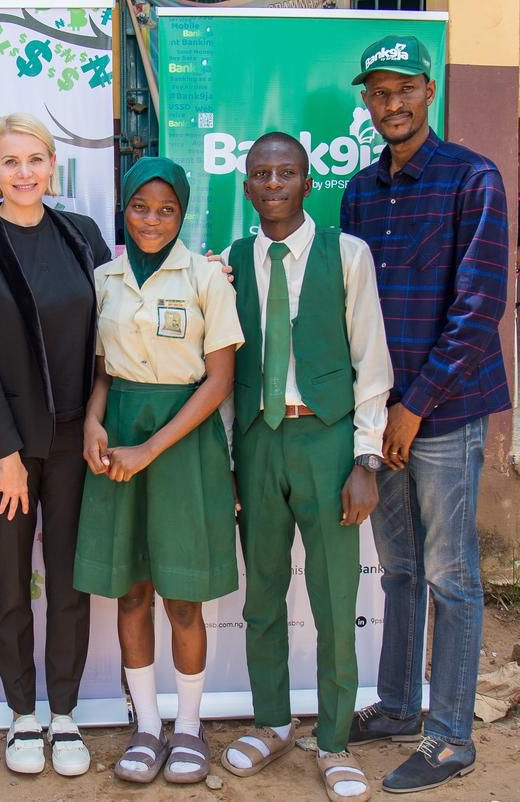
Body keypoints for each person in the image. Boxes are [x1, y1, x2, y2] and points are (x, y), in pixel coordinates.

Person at [341, 36, 511, 794]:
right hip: (384, 414)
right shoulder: (359, 192)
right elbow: (352, 309)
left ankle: (450, 739)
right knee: (401, 570)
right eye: (378, 93)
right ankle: (401, 706)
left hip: (444, 413)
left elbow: (478, 310)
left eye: (403, 89)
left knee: (451, 575)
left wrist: (415, 407)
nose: (391, 105)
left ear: (430, 89)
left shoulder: (473, 177)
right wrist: (377, 413)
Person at [219, 133, 393, 802]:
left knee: (332, 598)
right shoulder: (231, 263)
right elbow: (226, 368)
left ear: (307, 181)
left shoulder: (348, 256)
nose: (272, 183)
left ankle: (334, 741)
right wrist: (232, 460)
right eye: (260, 173)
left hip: (327, 442)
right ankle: (271, 722)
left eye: (285, 172)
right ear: (246, 187)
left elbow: (371, 362)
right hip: (260, 442)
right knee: (261, 596)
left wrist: (366, 459)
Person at [0, 112, 113, 777]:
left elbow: (114, 326)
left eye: (36, 159)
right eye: (10, 162)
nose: (24, 173)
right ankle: (21, 713)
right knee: (11, 581)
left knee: (71, 579)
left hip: (75, 441)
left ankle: (65, 712)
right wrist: (6, 455)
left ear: (53, 166)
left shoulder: (83, 235)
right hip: (6, 448)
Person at [74, 158, 242, 785]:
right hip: (119, 437)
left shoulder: (205, 278)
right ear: (124, 209)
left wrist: (150, 449)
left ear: (183, 213)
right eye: (140, 207)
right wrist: (95, 422)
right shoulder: (104, 278)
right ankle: (146, 727)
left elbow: (219, 379)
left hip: (183, 444)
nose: (151, 219)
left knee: (183, 596)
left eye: (165, 209)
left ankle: (190, 728)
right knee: (132, 589)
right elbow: (103, 372)